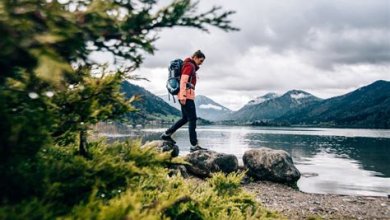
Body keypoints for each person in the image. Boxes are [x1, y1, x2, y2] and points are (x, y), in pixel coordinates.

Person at [161, 50, 207, 152]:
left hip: (186, 95)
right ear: (195, 57)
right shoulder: (189, 65)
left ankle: (166, 134)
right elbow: (183, 80)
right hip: (186, 96)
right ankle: (194, 145)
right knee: (192, 119)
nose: (201, 63)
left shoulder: (190, 66)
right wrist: (182, 96)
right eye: (201, 60)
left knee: (185, 119)